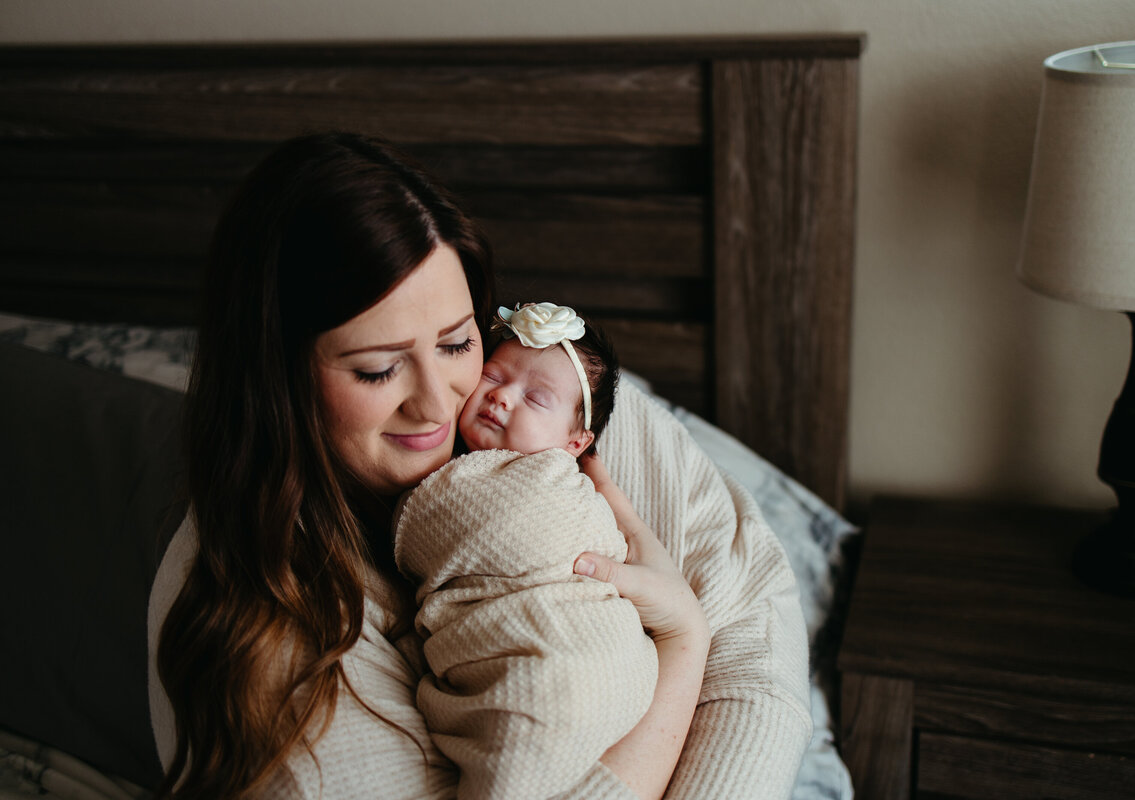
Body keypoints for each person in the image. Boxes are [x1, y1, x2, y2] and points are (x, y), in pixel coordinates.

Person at [147, 131, 813, 800]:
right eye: (378, 370)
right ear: (275, 382)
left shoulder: (558, 394)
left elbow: (758, 644)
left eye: (457, 342)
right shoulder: (268, 636)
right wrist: (684, 645)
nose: (442, 403)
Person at [394, 303, 658, 798]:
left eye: (536, 399)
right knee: (520, 741)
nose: (501, 397)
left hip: (598, 644)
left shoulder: (564, 481)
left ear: (575, 443)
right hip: (511, 651)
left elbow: (611, 539)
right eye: (492, 375)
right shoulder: (441, 477)